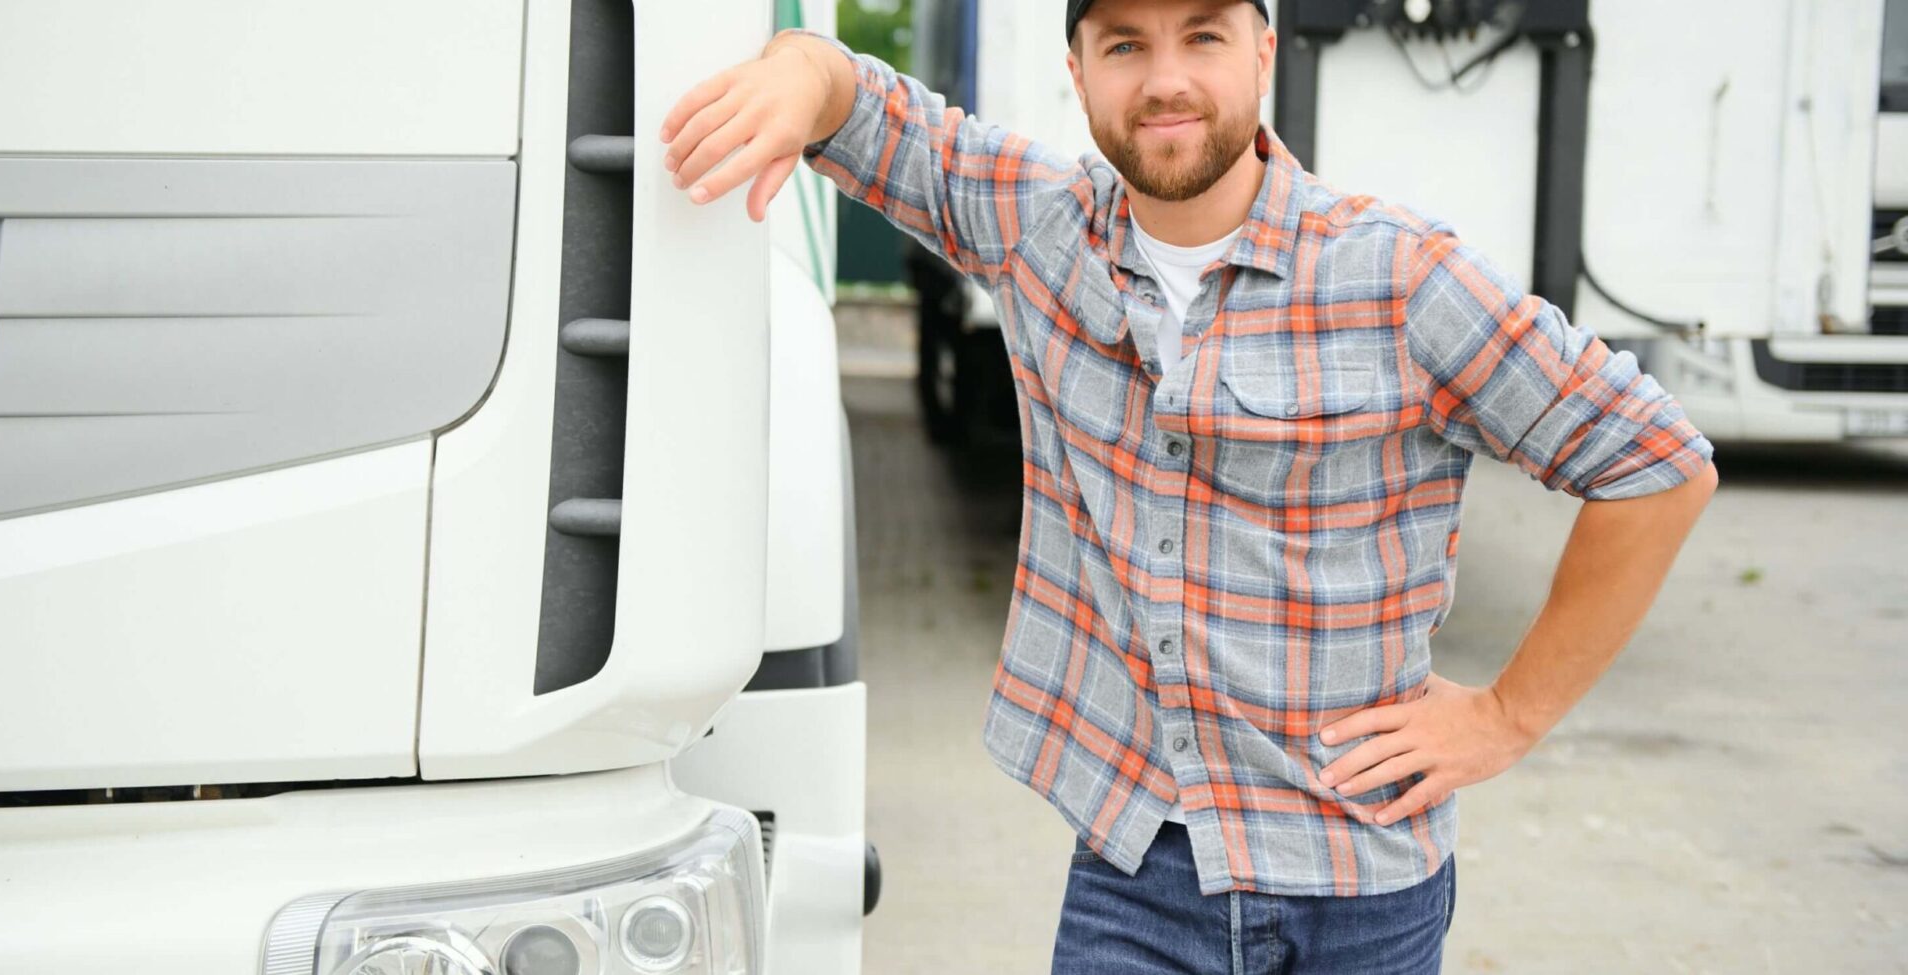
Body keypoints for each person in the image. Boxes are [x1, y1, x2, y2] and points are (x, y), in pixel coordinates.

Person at [661, 0, 1718, 970]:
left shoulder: (1397, 279)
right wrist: (799, 70)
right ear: (1076, 72)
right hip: (1135, 871)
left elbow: (1652, 465)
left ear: (1262, 51)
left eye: (1201, 35)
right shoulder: (1039, 230)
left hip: (1356, 885)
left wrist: (1504, 716)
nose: (1164, 78)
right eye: (1124, 44)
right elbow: (868, 110)